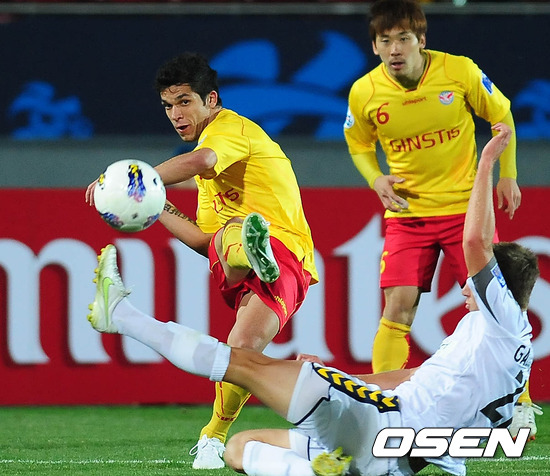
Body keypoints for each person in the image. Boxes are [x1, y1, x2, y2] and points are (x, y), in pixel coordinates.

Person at [87, 124, 538, 475]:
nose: (464, 286)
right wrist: (342, 378)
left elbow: (475, 242)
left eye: (475, 282)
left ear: (497, 285)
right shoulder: (501, 348)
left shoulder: (501, 318)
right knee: (240, 448)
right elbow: (413, 377)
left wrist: (486, 162)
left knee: (242, 362)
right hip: (390, 460)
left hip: (380, 423)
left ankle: (122, 316)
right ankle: (317, 471)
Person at [85, 52, 318, 470]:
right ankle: (212, 439)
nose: (176, 114)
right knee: (240, 349)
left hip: (286, 253)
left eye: (185, 101)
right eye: (168, 106)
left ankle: (252, 248)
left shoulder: (229, 129)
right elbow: (200, 240)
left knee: (237, 242)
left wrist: (133, 179)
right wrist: (152, 202)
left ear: (211, 99)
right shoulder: (211, 182)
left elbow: (202, 160)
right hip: (242, 262)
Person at [342, 0, 541, 438]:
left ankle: (520, 405)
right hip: (408, 215)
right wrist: (375, 178)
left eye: (403, 39)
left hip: (465, 212)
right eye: (385, 41)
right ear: (374, 46)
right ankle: (382, 408)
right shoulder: (365, 92)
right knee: (397, 306)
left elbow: (501, 114)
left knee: (498, 307)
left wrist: (508, 174)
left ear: (421, 40)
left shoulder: (459, 71)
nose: (395, 49)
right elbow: (357, 142)